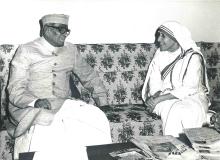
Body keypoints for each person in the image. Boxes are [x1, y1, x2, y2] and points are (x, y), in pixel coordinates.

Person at [6, 14, 112, 160]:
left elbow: (89, 76)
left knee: (95, 117)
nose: (65, 35)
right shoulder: (26, 50)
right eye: (61, 30)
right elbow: (15, 89)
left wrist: (103, 101)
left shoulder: (71, 50)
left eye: (66, 31)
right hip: (29, 107)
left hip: (63, 103)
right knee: (49, 125)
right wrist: (35, 101)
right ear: (47, 30)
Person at [141, 21, 210, 137]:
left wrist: (159, 99)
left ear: (175, 38)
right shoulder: (160, 54)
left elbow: (189, 89)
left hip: (192, 97)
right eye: (158, 35)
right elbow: (154, 81)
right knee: (171, 108)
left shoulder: (193, 57)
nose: (158, 39)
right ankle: (176, 148)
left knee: (181, 110)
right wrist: (155, 97)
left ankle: (183, 148)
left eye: (163, 36)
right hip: (163, 97)